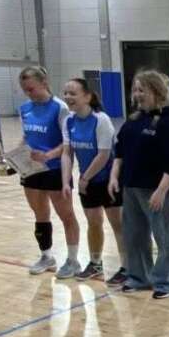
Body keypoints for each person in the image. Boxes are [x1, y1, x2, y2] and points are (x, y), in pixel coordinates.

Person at [110, 71, 169, 299]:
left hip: (157, 189)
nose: (137, 94)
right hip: (131, 187)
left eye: (142, 90)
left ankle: (166, 282)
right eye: (135, 89)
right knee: (134, 235)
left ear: (157, 92)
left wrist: (162, 191)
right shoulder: (133, 121)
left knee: (164, 237)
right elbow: (120, 152)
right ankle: (139, 277)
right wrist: (114, 177)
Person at [60, 78, 126, 283]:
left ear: (87, 96)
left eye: (73, 93)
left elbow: (104, 155)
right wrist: (65, 181)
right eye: (66, 93)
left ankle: (127, 267)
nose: (68, 97)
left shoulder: (101, 119)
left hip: (108, 180)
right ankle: (96, 263)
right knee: (93, 222)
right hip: (87, 182)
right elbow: (67, 153)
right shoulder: (69, 121)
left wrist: (85, 178)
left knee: (118, 224)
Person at [18, 67, 81, 278]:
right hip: (31, 170)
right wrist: (14, 154)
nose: (28, 93)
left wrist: (48, 155)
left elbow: (68, 141)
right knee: (40, 214)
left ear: (44, 83)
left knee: (66, 215)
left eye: (31, 89)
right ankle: (46, 256)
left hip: (55, 169)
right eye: (25, 90)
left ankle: (73, 260)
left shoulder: (60, 108)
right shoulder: (24, 108)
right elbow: (27, 137)